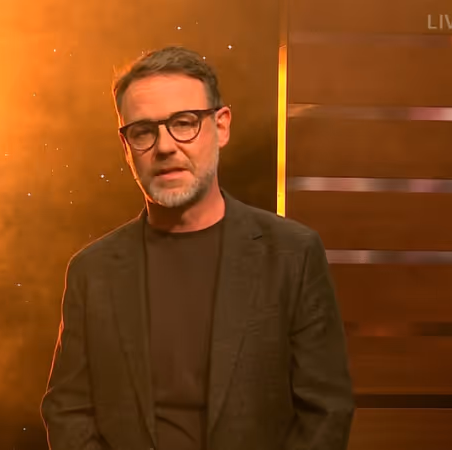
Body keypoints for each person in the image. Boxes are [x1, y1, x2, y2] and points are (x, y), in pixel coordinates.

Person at [41, 45, 354, 450]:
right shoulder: (92, 272)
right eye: (143, 131)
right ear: (126, 147)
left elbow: (327, 411)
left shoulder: (292, 255)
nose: (165, 146)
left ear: (221, 126)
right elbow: (68, 411)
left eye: (184, 123)